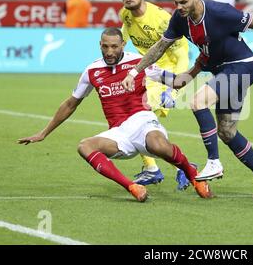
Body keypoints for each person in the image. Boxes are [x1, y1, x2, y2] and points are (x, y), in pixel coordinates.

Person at [122, 0, 253, 200]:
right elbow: (166, 53)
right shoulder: (183, 24)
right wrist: (138, 72)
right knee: (227, 132)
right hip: (223, 72)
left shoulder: (219, 12)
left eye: (183, 2)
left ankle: (213, 162)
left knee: (197, 102)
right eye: (175, 3)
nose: (179, 7)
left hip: (244, 66)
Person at [17, 27, 212, 202]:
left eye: (114, 47)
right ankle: (132, 186)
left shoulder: (138, 63)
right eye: (105, 47)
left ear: (123, 45)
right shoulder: (92, 71)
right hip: (118, 132)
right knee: (85, 146)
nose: (109, 52)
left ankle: (193, 175)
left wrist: (198, 65)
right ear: (100, 45)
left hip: (143, 121)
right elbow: (71, 104)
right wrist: (43, 133)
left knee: (157, 145)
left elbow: (177, 82)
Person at [119, 0, 191, 190]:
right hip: (145, 74)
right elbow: (125, 33)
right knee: (132, 122)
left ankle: (181, 167)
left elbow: (182, 53)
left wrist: (175, 89)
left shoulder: (161, 19)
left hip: (165, 74)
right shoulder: (126, 14)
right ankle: (155, 169)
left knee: (135, 121)